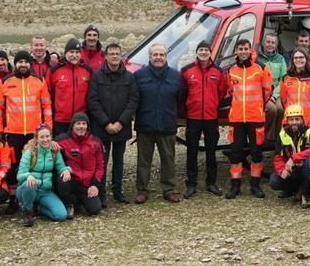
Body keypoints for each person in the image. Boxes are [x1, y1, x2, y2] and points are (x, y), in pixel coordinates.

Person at [0, 50, 53, 213]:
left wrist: (48, 128)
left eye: (26, 62)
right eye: (20, 62)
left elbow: (46, 106)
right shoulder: (5, 81)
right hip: (13, 133)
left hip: (34, 134)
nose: (23, 65)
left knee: (33, 166)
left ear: (30, 64)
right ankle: (13, 199)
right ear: (16, 64)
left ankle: (31, 199)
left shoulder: (39, 80)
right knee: (13, 167)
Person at [87, 42, 139, 205]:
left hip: (121, 128)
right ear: (106, 56)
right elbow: (93, 101)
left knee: (119, 160)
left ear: (121, 56)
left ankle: (118, 191)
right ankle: (101, 192)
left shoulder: (129, 77)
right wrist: (106, 123)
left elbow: (133, 100)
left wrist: (121, 122)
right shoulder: (97, 76)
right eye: (112, 54)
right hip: (102, 128)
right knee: (101, 160)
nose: (115, 56)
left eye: (117, 54)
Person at [133, 44, 184, 204]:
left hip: (167, 124)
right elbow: (135, 99)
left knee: (168, 159)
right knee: (143, 160)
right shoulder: (139, 76)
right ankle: (142, 190)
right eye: (155, 54)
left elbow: (180, 98)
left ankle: (168, 189)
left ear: (166, 57)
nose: (158, 57)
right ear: (149, 57)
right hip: (145, 125)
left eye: (161, 54)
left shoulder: (176, 76)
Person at [225, 38, 273, 199]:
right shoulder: (231, 70)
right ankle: (235, 185)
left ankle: (255, 185)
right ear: (236, 51)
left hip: (255, 117)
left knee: (256, 152)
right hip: (237, 118)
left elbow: (267, 91)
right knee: (236, 153)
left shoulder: (261, 68)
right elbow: (231, 91)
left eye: (246, 48)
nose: (243, 51)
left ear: (250, 50)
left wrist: (258, 106)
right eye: (240, 49)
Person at [180, 40, 226, 198]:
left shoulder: (218, 72)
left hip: (211, 117)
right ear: (197, 52)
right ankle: (191, 184)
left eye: (206, 50)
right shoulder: (187, 71)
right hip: (193, 117)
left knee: (211, 151)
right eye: (201, 50)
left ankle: (211, 183)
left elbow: (221, 93)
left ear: (210, 52)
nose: (204, 53)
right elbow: (183, 93)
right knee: (191, 151)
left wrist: (212, 105)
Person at [16, 124, 70, 225]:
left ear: (51, 137)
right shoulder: (30, 151)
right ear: (36, 138)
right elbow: (20, 175)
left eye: (47, 136)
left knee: (61, 215)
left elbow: (61, 167)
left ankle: (38, 208)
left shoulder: (54, 151)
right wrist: (28, 176)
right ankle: (27, 212)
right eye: (42, 137)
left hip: (45, 190)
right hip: (28, 189)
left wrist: (66, 170)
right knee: (29, 184)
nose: (45, 139)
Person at [56, 112, 105, 217]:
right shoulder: (62, 140)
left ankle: (78, 201)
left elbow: (100, 166)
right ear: (72, 126)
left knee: (95, 209)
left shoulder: (96, 142)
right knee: (62, 180)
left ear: (87, 126)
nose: (81, 126)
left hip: (87, 184)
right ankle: (69, 203)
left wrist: (95, 185)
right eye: (78, 124)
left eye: (84, 123)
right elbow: (47, 143)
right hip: (72, 180)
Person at [269, 105, 310, 205]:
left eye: (297, 119)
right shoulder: (282, 134)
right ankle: (296, 190)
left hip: (308, 169)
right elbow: (278, 157)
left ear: (302, 119)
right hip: (293, 170)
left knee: (308, 164)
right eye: (291, 119)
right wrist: (282, 170)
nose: (294, 122)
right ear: (287, 120)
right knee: (274, 181)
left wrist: (294, 158)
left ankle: (306, 195)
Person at [50, 39, 92, 136]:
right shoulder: (54, 71)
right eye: (71, 52)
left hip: (80, 121)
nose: (74, 55)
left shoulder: (87, 71)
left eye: (77, 52)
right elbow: (49, 94)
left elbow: (90, 95)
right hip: (61, 120)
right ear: (65, 53)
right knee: (61, 148)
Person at [280, 49, 310, 128]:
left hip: (308, 121)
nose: (298, 60)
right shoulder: (285, 79)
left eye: (301, 57)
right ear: (292, 60)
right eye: (296, 58)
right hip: (290, 121)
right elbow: (283, 101)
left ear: (306, 59)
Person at [257, 33, 288, 143]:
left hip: (276, 92)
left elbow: (283, 78)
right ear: (263, 43)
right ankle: (266, 136)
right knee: (271, 109)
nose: (270, 45)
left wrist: (275, 96)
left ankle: (277, 137)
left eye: (273, 43)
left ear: (276, 45)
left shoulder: (280, 59)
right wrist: (266, 95)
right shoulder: (256, 57)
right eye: (268, 42)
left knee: (280, 109)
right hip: (261, 92)